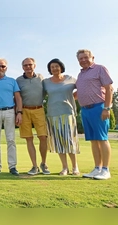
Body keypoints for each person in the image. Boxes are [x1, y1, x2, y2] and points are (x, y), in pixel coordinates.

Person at [76, 49, 114, 180]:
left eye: (86, 57)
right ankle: (97, 168)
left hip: (99, 107)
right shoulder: (80, 75)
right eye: (80, 58)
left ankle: (105, 170)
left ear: (92, 57)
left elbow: (109, 88)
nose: (83, 60)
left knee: (102, 138)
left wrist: (107, 108)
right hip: (85, 110)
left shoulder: (100, 69)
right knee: (93, 140)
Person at [43, 58, 80, 176]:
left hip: (68, 113)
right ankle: (65, 168)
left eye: (56, 66)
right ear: (49, 69)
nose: (54, 69)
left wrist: (71, 98)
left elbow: (82, 89)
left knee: (70, 141)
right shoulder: (46, 82)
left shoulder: (70, 79)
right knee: (59, 142)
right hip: (52, 114)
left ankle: (75, 167)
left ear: (61, 67)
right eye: (52, 67)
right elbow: (40, 95)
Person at [16, 58, 50, 175]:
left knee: (43, 137)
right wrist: (18, 113)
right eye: (25, 65)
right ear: (22, 67)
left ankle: (44, 163)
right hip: (24, 111)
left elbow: (47, 92)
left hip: (39, 109)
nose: (28, 67)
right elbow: (16, 97)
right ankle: (34, 166)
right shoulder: (18, 80)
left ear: (34, 65)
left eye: (30, 65)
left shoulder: (41, 78)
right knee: (29, 139)